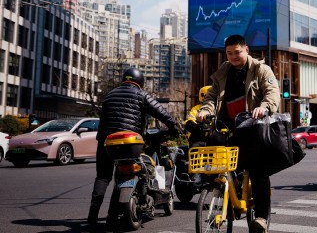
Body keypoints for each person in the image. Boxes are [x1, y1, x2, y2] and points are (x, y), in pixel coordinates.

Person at [196, 34, 279, 233]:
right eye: (229, 53)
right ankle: (219, 189)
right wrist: (205, 110)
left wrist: (264, 107)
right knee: (212, 150)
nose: (233, 56)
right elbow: (211, 97)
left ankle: (260, 217)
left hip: (253, 126)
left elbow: (272, 92)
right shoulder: (222, 73)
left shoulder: (261, 70)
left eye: (237, 52)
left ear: (246, 50)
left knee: (258, 170)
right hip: (226, 126)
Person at [87, 68, 180, 226]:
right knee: (131, 173)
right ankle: (113, 213)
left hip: (106, 142)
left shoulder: (110, 95)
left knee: (103, 177)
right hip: (129, 142)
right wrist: (174, 128)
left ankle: (92, 215)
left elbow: (103, 122)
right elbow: (161, 111)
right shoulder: (140, 94)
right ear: (140, 82)